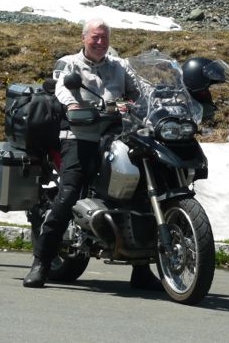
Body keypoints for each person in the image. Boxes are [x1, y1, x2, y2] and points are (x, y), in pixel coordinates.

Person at [23, 18, 162, 290]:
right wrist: (73, 105)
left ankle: (142, 268)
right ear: (84, 38)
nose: (100, 42)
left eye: (104, 37)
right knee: (69, 193)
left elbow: (140, 93)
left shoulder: (120, 66)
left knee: (139, 192)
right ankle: (41, 262)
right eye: (95, 37)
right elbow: (62, 88)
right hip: (79, 136)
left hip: (117, 136)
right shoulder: (70, 64)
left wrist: (155, 100)